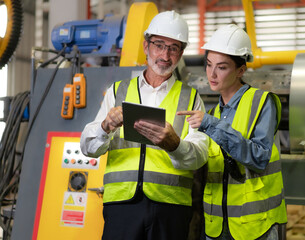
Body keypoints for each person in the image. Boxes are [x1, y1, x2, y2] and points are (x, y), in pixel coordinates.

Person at [80, 11, 209, 240]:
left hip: (171, 208)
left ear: (181, 53)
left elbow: (200, 156)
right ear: (146, 46)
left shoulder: (191, 98)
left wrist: (176, 145)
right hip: (121, 206)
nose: (165, 55)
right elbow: (88, 147)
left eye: (174, 48)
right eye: (159, 45)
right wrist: (105, 126)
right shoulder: (118, 90)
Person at [177, 24, 287, 240]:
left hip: (255, 226)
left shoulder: (261, 102)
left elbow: (259, 157)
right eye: (209, 65)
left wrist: (211, 125)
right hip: (216, 225)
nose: (212, 74)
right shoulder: (212, 112)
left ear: (240, 71)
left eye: (222, 67)